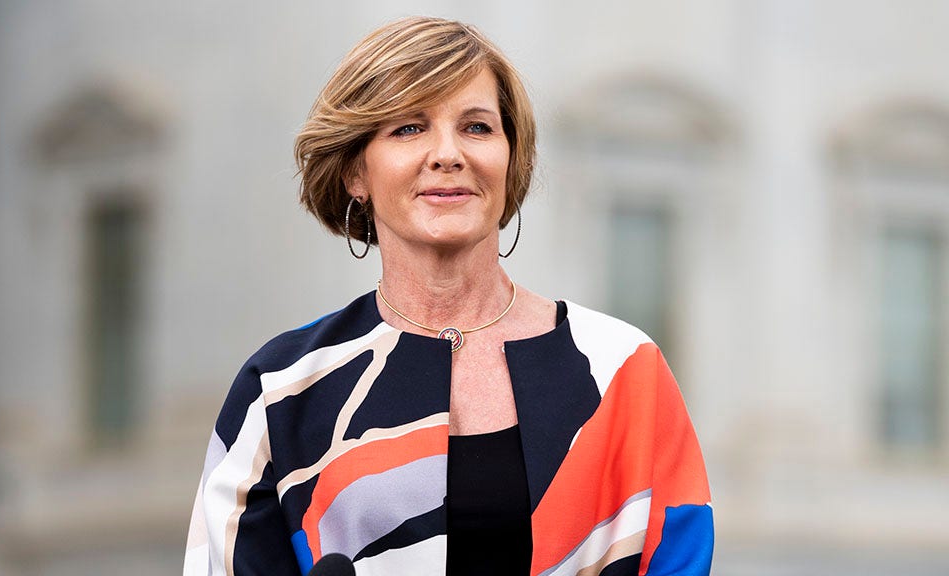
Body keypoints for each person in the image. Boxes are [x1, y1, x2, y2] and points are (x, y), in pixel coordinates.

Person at [184, 16, 713, 576]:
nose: (447, 154)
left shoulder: (624, 370)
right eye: (409, 128)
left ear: (511, 160)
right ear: (355, 172)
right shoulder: (281, 390)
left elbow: (679, 554)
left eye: (477, 127)